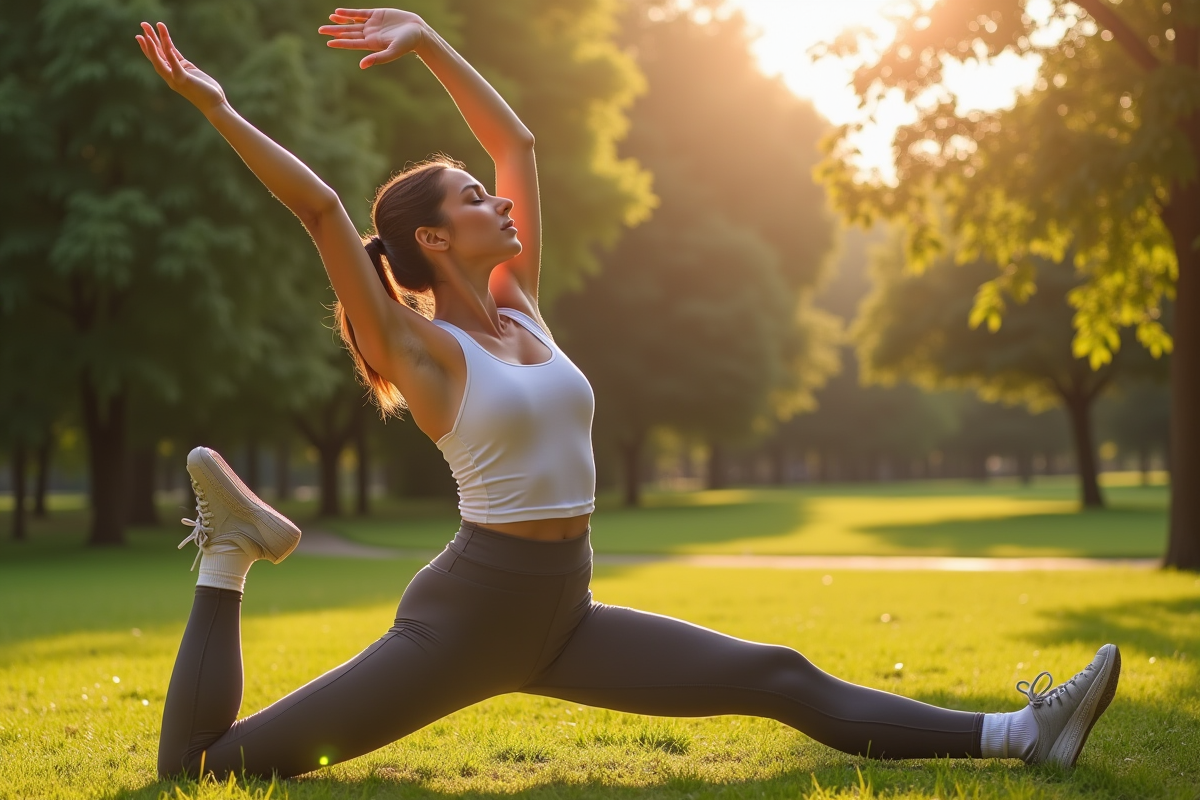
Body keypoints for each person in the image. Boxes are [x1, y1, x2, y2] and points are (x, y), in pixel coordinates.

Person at [136, 9, 1121, 781]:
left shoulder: (522, 311)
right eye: (472, 200)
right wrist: (217, 107)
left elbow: (518, 142)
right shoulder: (419, 347)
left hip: (568, 611)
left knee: (772, 672)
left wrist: (430, 39)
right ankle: (227, 551)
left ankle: (1023, 729)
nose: (498, 200)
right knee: (208, 768)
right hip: (466, 619)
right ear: (432, 241)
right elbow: (322, 209)